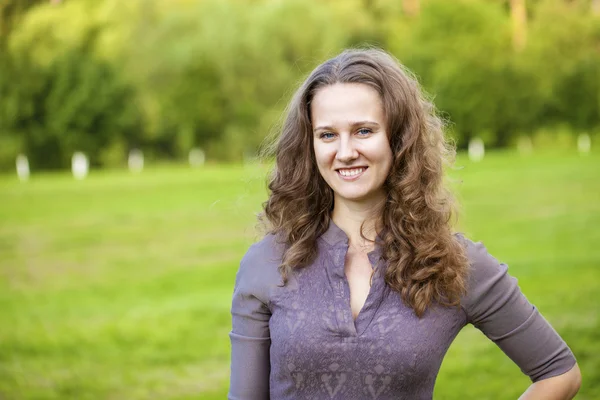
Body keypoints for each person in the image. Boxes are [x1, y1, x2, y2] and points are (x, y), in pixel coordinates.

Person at [228, 48, 581, 399]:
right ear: (310, 146)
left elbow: (559, 373)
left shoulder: (450, 264)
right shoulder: (268, 263)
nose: (346, 151)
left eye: (364, 131)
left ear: (399, 138)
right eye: (327, 135)